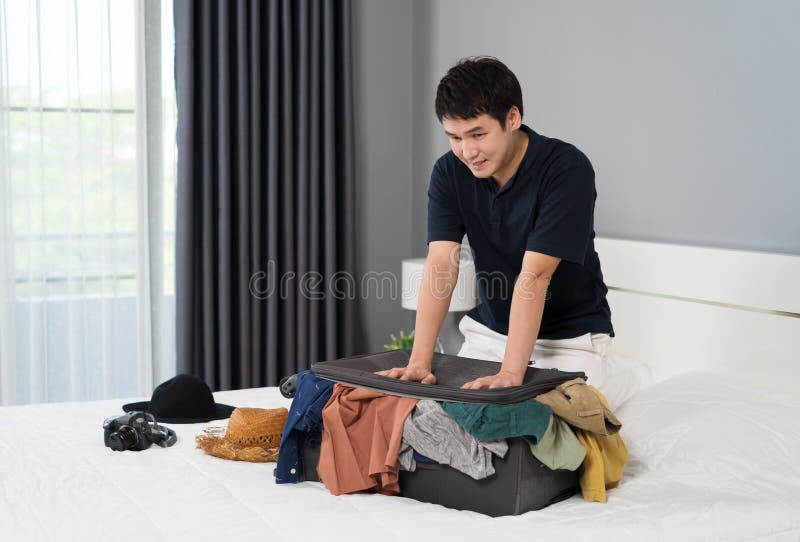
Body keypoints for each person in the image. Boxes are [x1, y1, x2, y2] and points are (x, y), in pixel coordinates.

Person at [378, 56, 614, 391]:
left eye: (477, 134)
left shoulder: (566, 169)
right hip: (489, 334)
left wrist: (510, 375)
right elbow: (442, 264)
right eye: (455, 137)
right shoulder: (449, 172)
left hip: (570, 341)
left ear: (513, 117)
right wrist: (418, 362)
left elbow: (535, 275)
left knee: (517, 428)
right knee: (425, 418)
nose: (467, 151)